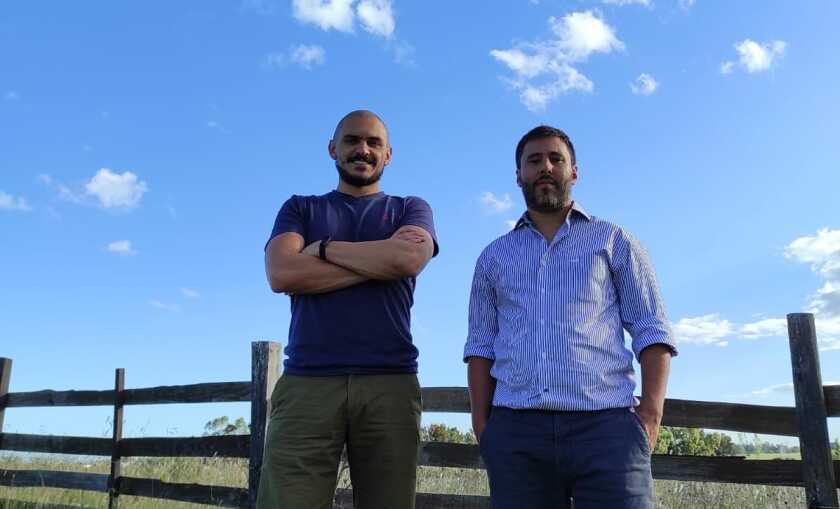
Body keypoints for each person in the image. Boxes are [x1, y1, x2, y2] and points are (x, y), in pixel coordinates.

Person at [464, 125, 677, 509]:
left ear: (574, 172)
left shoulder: (614, 241)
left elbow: (651, 328)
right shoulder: (493, 258)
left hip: (608, 430)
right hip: (517, 433)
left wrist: (650, 416)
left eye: (555, 158)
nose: (545, 167)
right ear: (518, 176)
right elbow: (480, 345)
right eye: (534, 160)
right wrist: (484, 426)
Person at [259, 110, 438, 509]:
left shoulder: (410, 207)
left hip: (389, 381)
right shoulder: (300, 208)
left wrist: (322, 249)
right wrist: (380, 262)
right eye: (353, 140)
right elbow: (282, 272)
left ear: (388, 154)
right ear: (332, 149)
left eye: (374, 143)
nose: (363, 149)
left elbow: (408, 260)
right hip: (308, 380)